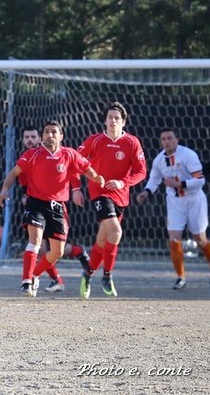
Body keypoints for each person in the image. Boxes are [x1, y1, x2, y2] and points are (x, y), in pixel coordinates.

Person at [0, 120, 104, 297]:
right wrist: (3, 191)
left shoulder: (70, 154)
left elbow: (86, 168)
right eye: (46, 132)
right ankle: (26, 282)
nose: (50, 135)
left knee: (57, 251)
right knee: (35, 240)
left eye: (54, 132)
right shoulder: (32, 154)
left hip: (58, 207)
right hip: (36, 203)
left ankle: (35, 275)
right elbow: (14, 173)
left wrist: (96, 178)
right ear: (42, 136)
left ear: (61, 136)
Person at [75, 102, 147, 299]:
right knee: (116, 231)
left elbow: (141, 172)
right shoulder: (95, 140)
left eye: (117, 118)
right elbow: (75, 162)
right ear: (105, 120)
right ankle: (107, 275)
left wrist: (123, 183)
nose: (113, 120)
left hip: (120, 196)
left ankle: (88, 273)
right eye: (110, 117)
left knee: (103, 239)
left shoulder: (132, 142)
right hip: (99, 192)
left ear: (123, 121)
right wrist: (76, 189)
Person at [136, 128, 210, 289]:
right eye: (163, 139)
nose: (166, 141)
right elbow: (154, 180)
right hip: (174, 202)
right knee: (173, 238)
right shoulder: (158, 160)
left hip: (194, 199)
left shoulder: (188, 155)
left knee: (200, 239)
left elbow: (199, 181)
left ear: (177, 140)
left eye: (170, 138)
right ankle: (181, 277)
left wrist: (180, 184)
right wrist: (146, 192)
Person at [16, 126, 90, 294]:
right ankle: (50, 278)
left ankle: (75, 255)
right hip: (35, 204)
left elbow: (72, 171)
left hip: (55, 204)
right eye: (26, 136)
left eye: (33, 137)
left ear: (39, 139)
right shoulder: (27, 157)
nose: (29, 140)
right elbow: (22, 181)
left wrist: (76, 189)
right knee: (40, 247)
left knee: (52, 248)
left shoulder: (58, 155)